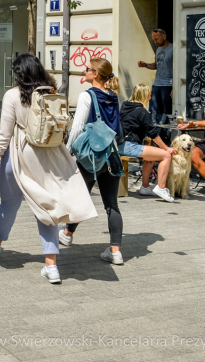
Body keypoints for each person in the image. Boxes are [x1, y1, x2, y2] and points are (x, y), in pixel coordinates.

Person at [0, 54, 97, 284]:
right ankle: (51, 266)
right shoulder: (50, 90)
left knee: (9, 202)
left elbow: (3, 135)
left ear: (19, 73)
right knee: (47, 207)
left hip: (19, 155)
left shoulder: (13, 95)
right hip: (49, 155)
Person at [59, 58, 126, 265]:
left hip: (90, 157)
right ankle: (116, 251)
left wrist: (68, 152)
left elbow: (78, 126)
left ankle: (67, 235)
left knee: (80, 199)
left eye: (87, 69)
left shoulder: (87, 96)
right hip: (111, 156)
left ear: (96, 74)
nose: (84, 72)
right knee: (111, 205)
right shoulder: (114, 96)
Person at [121, 83, 176, 202]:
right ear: (145, 96)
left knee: (151, 156)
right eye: (149, 95)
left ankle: (145, 187)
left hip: (120, 144)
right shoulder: (142, 111)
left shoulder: (125, 106)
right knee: (166, 155)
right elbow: (153, 134)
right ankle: (161, 187)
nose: (150, 98)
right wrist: (167, 148)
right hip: (129, 146)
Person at [138, 29, 173, 125]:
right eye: (154, 40)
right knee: (153, 111)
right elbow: (156, 65)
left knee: (166, 112)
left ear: (164, 37)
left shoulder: (173, 49)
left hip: (167, 85)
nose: (155, 42)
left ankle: (165, 133)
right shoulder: (158, 49)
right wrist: (145, 65)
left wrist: (175, 88)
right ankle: (154, 131)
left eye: (157, 39)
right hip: (156, 84)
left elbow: (178, 69)